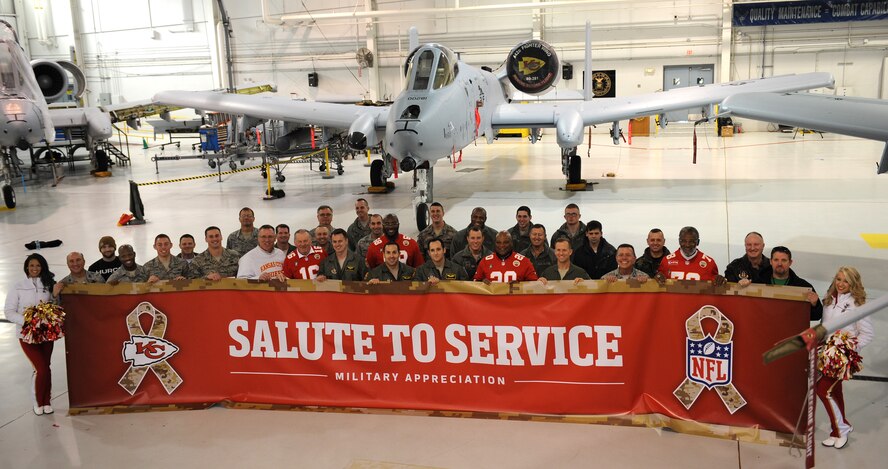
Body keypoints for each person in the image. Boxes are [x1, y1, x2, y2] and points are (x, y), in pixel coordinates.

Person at [816, 266, 874, 450]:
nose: (841, 284)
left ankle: (840, 431)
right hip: (826, 353)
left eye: (845, 281)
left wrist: (849, 350)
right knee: (835, 392)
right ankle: (841, 426)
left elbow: (868, 333)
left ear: (853, 284)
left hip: (840, 357)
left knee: (823, 390)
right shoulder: (829, 298)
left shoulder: (857, 305)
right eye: (838, 279)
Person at [4, 254, 57, 415]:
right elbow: (9, 312)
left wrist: (55, 294)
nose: (35, 268)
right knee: (40, 368)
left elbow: (54, 306)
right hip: (26, 336)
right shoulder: (18, 286)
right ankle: (37, 401)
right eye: (32, 265)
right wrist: (28, 322)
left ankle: (47, 401)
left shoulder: (48, 284)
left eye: (38, 266)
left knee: (46, 368)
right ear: (27, 267)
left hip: (46, 334)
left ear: (43, 267)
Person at [751, 246, 823, 321]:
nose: (779, 264)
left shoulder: (803, 286)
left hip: (791, 331)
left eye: (784, 260)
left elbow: (817, 316)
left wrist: (815, 305)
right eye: (776, 260)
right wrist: (743, 287)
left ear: (790, 262)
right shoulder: (758, 283)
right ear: (770, 261)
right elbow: (750, 310)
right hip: (763, 330)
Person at [656, 226, 725, 285]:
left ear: (698, 242)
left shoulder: (709, 263)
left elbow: (717, 286)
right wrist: (656, 277)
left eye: (691, 241)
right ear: (679, 241)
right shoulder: (667, 261)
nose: (687, 245)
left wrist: (721, 280)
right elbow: (658, 281)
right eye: (684, 241)